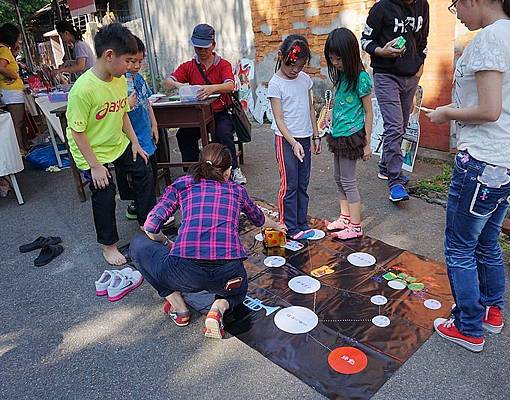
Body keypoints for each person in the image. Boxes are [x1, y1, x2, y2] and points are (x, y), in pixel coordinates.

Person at [425, 0, 510, 352]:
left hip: (486, 163)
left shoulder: (491, 38)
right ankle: (492, 311)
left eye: (456, 3)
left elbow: (489, 110)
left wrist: (446, 113)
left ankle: (468, 326)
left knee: (459, 247)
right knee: (487, 242)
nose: (456, 11)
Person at [129, 143, 285, 338]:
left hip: (184, 272)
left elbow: (151, 226)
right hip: (227, 274)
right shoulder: (237, 190)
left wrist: (165, 242)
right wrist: (277, 226)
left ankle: (179, 307)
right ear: (228, 172)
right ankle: (219, 307)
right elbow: (260, 219)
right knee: (238, 289)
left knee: (137, 245)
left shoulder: (182, 184)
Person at [66, 23, 156, 266]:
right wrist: (95, 166)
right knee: (104, 191)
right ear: (109, 56)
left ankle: (148, 225)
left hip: (116, 142)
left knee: (143, 169)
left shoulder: (118, 80)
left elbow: (122, 113)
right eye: (127, 61)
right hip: (91, 151)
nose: (130, 66)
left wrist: (135, 144)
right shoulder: (82, 90)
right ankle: (109, 246)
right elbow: (77, 132)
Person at [361, 0, 429, 203]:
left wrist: (420, 67)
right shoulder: (381, 8)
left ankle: (385, 167)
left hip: (411, 76)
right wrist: (381, 51)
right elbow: (365, 41)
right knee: (395, 126)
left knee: (403, 124)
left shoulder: (423, 5)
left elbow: (423, 41)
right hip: (386, 75)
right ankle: (395, 181)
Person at [163, 24, 247, 185]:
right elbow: (167, 81)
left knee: (222, 134)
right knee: (183, 135)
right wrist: (180, 85)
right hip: (197, 115)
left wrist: (212, 88)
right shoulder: (189, 66)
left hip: (220, 111)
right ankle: (194, 171)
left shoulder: (223, 65)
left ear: (213, 45)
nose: (201, 51)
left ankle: (233, 169)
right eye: (198, 48)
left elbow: (230, 85)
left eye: (205, 48)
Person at [268, 35, 320, 241]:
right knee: (289, 184)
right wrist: (293, 142)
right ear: (281, 57)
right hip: (286, 140)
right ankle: (289, 225)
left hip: (305, 138)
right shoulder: (275, 83)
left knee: (303, 183)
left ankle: (301, 222)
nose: (295, 70)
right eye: (292, 66)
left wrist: (316, 135)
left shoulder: (305, 79)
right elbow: (279, 119)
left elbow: (310, 108)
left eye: (300, 66)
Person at [323, 28, 374, 240]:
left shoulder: (361, 78)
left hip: (352, 136)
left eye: (338, 59)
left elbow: (369, 111)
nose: (335, 63)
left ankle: (355, 225)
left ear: (350, 54)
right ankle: (345, 218)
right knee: (338, 178)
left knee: (348, 180)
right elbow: (341, 103)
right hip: (338, 133)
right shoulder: (342, 77)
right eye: (332, 59)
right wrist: (330, 114)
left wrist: (367, 142)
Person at [115, 35, 162, 223]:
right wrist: (127, 103)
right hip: (131, 137)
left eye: (139, 61)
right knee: (140, 174)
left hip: (144, 132)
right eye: (131, 61)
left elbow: (147, 102)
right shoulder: (119, 81)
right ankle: (147, 218)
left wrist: (154, 124)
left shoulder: (139, 78)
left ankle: (146, 209)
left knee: (149, 173)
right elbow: (119, 111)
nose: (135, 66)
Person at [0, 23, 27, 154]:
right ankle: (19, 150)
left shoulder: (5, 49)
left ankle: (21, 148)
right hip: (11, 92)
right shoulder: (3, 50)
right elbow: (1, 67)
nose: (19, 39)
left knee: (19, 121)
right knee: (18, 122)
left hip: (11, 91)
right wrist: (14, 75)